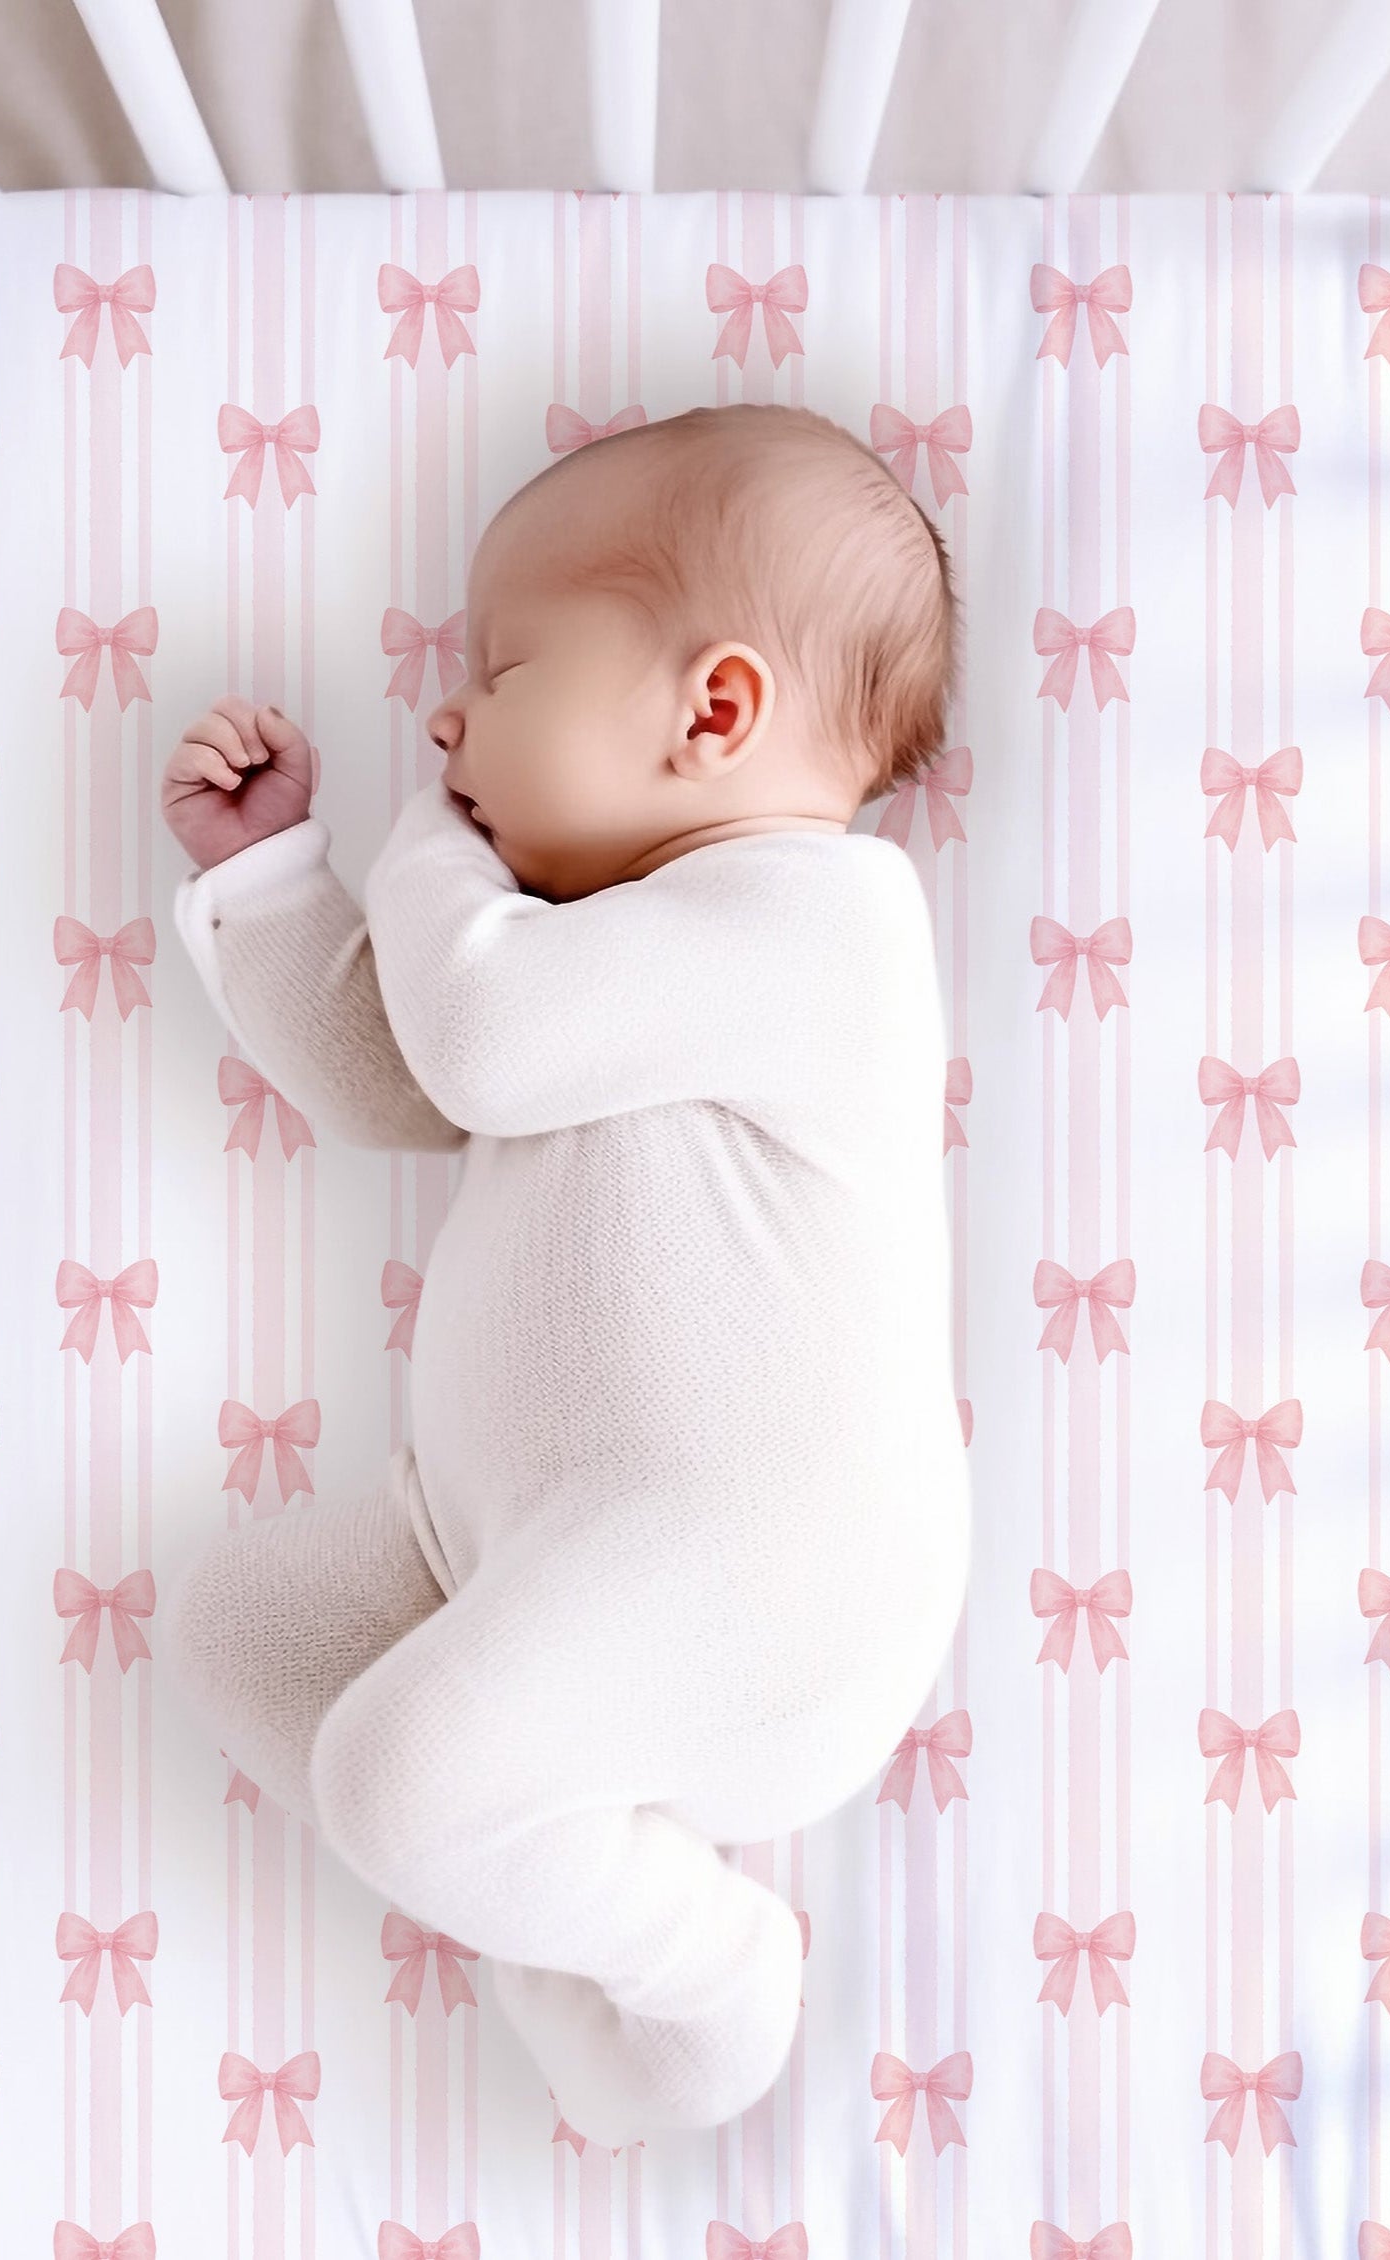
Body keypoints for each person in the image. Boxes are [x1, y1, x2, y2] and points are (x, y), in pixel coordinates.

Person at [160, 402, 970, 2143]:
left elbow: (481, 1038)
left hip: (761, 1569)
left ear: (714, 712)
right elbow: (408, 1077)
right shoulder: (580, 953)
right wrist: (275, 886)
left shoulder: (826, 920)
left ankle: (703, 1964)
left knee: (395, 1776)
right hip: (526, 1549)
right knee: (243, 1632)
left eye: (505, 672)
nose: (447, 719)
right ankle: (545, 1890)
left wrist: (434, 837)